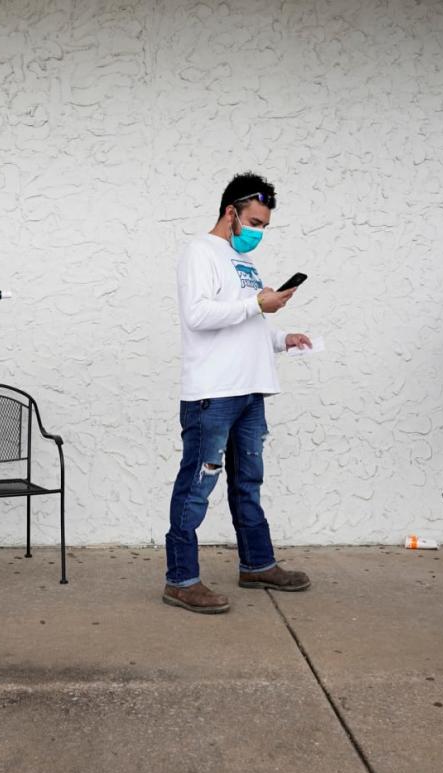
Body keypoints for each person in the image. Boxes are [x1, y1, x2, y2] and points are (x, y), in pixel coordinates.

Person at [162, 172, 313, 614]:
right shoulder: (199, 252)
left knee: (248, 482)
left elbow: (247, 322)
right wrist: (255, 305)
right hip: (214, 393)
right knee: (197, 486)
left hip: (251, 391)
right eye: (253, 222)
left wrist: (282, 337)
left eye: (264, 225)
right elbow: (198, 315)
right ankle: (181, 579)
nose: (258, 232)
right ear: (230, 212)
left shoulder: (240, 262)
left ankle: (257, 564)